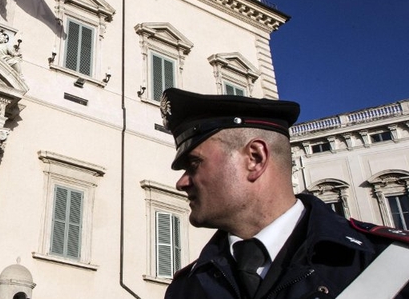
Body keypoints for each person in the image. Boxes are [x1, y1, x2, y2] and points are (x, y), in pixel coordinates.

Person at [160, 88, 409, 299]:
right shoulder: (185, 288)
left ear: (255, 159)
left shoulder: (387, 262)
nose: (181, 183)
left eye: (193, 164)